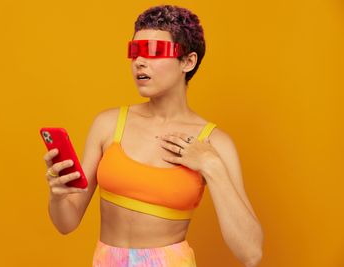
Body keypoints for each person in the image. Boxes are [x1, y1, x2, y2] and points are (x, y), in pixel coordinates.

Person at [43, 5, 263, 267]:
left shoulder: (214, 142)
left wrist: (211, 165)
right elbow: (66, 223)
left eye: (155, 52)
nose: (140, 62)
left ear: (187, 62)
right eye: (135, 52)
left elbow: (251, 253)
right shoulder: (109, 124)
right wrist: (58, 197)